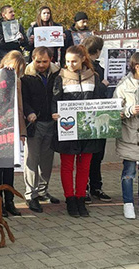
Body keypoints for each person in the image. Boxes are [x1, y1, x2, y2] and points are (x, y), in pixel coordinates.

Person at [51, 45, 106, 218]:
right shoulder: (60, 77)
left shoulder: (94, 77)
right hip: (68, 127)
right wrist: (54, 113)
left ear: (83, 59)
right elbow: (55, 99)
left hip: (89, 128)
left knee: (84, 166)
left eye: (74, 61)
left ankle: (81, 197)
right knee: (67, 166)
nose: (70, 64)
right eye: (67, 61)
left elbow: (99, 101)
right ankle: (70, 199)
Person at [21, 46, 61, 213]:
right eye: (38, 61)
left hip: (51, 123)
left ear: (50, 59)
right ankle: (31, 194)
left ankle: (43, 191)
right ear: (33, 59)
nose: (42, 65)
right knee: (32, 160)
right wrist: (29, 112)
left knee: (46, 161)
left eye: (45, 61)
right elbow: (23, 99)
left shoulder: (58, 74)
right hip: (34, 124)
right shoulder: (26, 76)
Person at [0, 50, 27, 217]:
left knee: (9, 170)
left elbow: (20, 108)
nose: (13, 72)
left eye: (17, 69)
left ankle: (9, 201)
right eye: (11, 67)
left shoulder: (18, 82)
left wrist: (22, 132)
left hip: (12, 130)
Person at [81, 36, 112, 204]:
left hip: (100, 115)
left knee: (98, 154)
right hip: (90, 116)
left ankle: (95, 186)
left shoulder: (98, 67)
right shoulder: (88, 68)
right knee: (88, 154)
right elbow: (93, 92)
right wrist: (104, 85)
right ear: (98, 50)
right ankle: (85, 187)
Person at [113, 52, 139, 219]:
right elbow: (114, 112)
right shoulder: (123, 86)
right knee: (129, 171)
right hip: (130, 135)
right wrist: (129, 111)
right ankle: (128, 203)